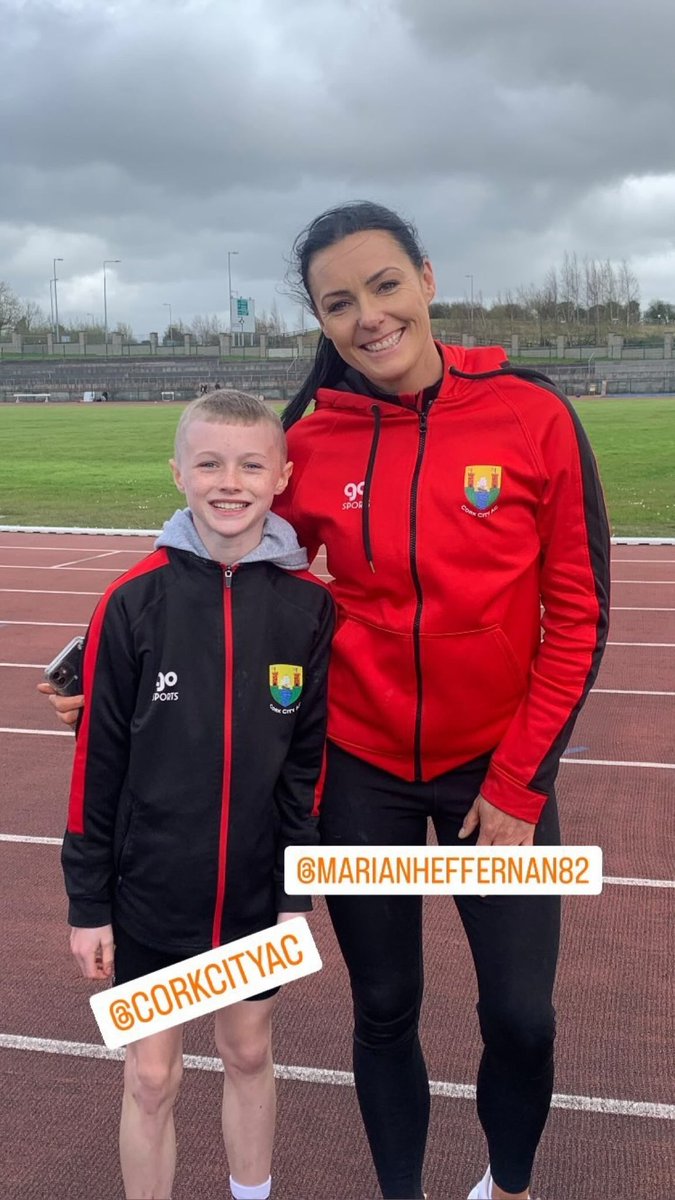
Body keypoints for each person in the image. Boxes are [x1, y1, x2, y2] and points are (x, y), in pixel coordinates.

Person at [42, 202, 610, 1200]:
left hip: (496, 777)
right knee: (384, 1007)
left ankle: (511, 1186)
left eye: (384, 285)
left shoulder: (532, 414)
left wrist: (520, 787)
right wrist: (104, 645)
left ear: (427, 280)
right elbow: (226, 537)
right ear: (322, 319)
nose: (368, 316)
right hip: (362, 771)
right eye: (338, 302)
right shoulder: (318, 438)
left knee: (522, 1013)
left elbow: (579, 614)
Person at [53, 390, 334, 1200]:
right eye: (208, 462)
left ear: (281, 475)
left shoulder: (307, 609)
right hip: (149, 896)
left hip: (252, 893)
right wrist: (87, 903)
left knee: (248, 1054)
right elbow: (95, 766)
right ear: (178, 471)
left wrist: (293, 895)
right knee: (150, 1076)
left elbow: (303, 769)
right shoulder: (132, 601)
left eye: (250, 464)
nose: (229, 481)